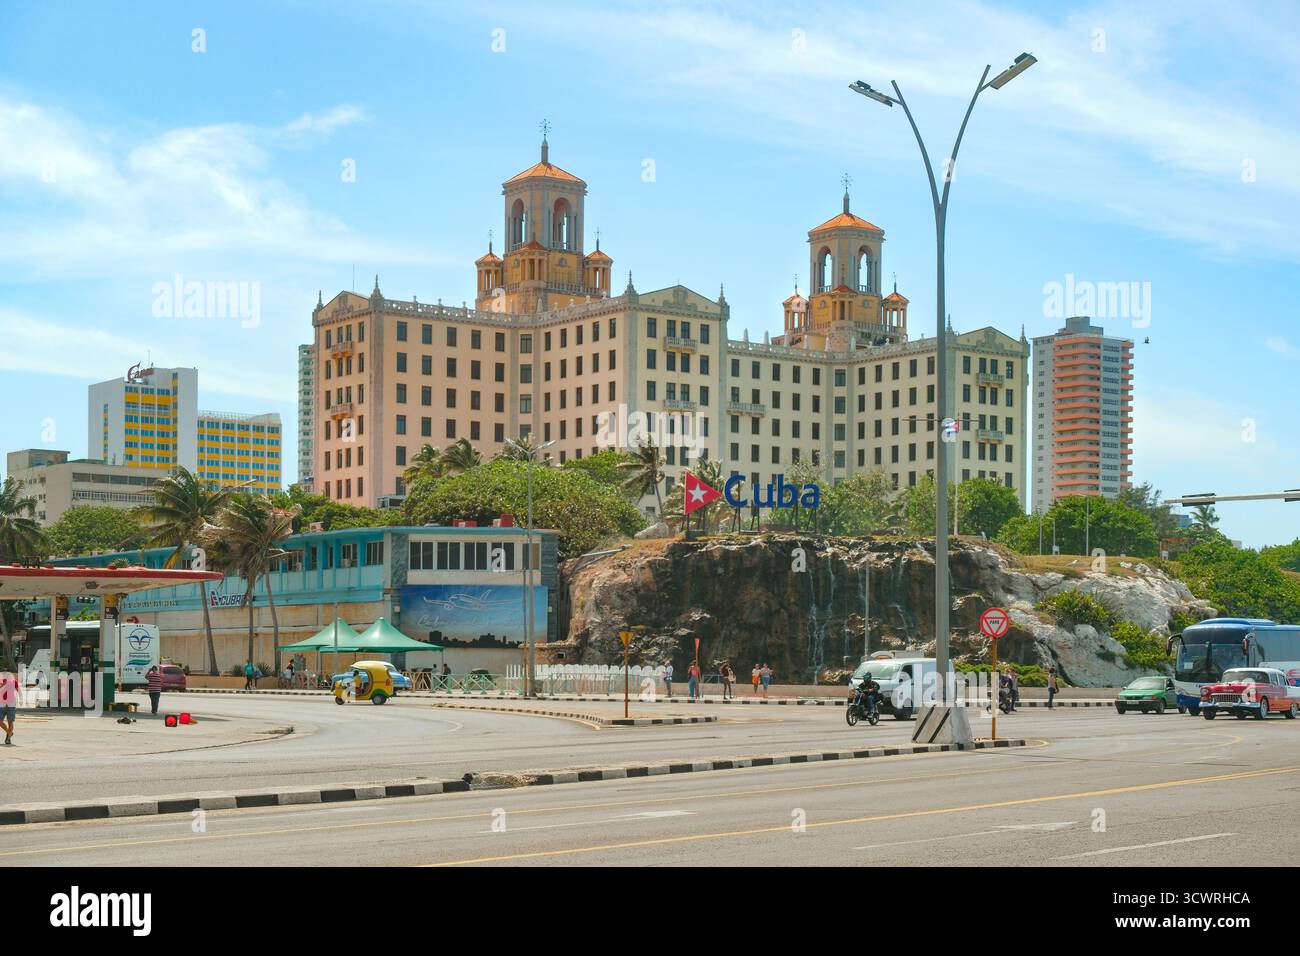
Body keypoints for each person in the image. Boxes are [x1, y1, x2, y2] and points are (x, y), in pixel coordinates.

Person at [0, 668, 18, 745]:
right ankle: (9, 732)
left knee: (10, 721)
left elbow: (17, 690)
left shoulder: (13, 681)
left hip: (11, 704)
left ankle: (8, 738)